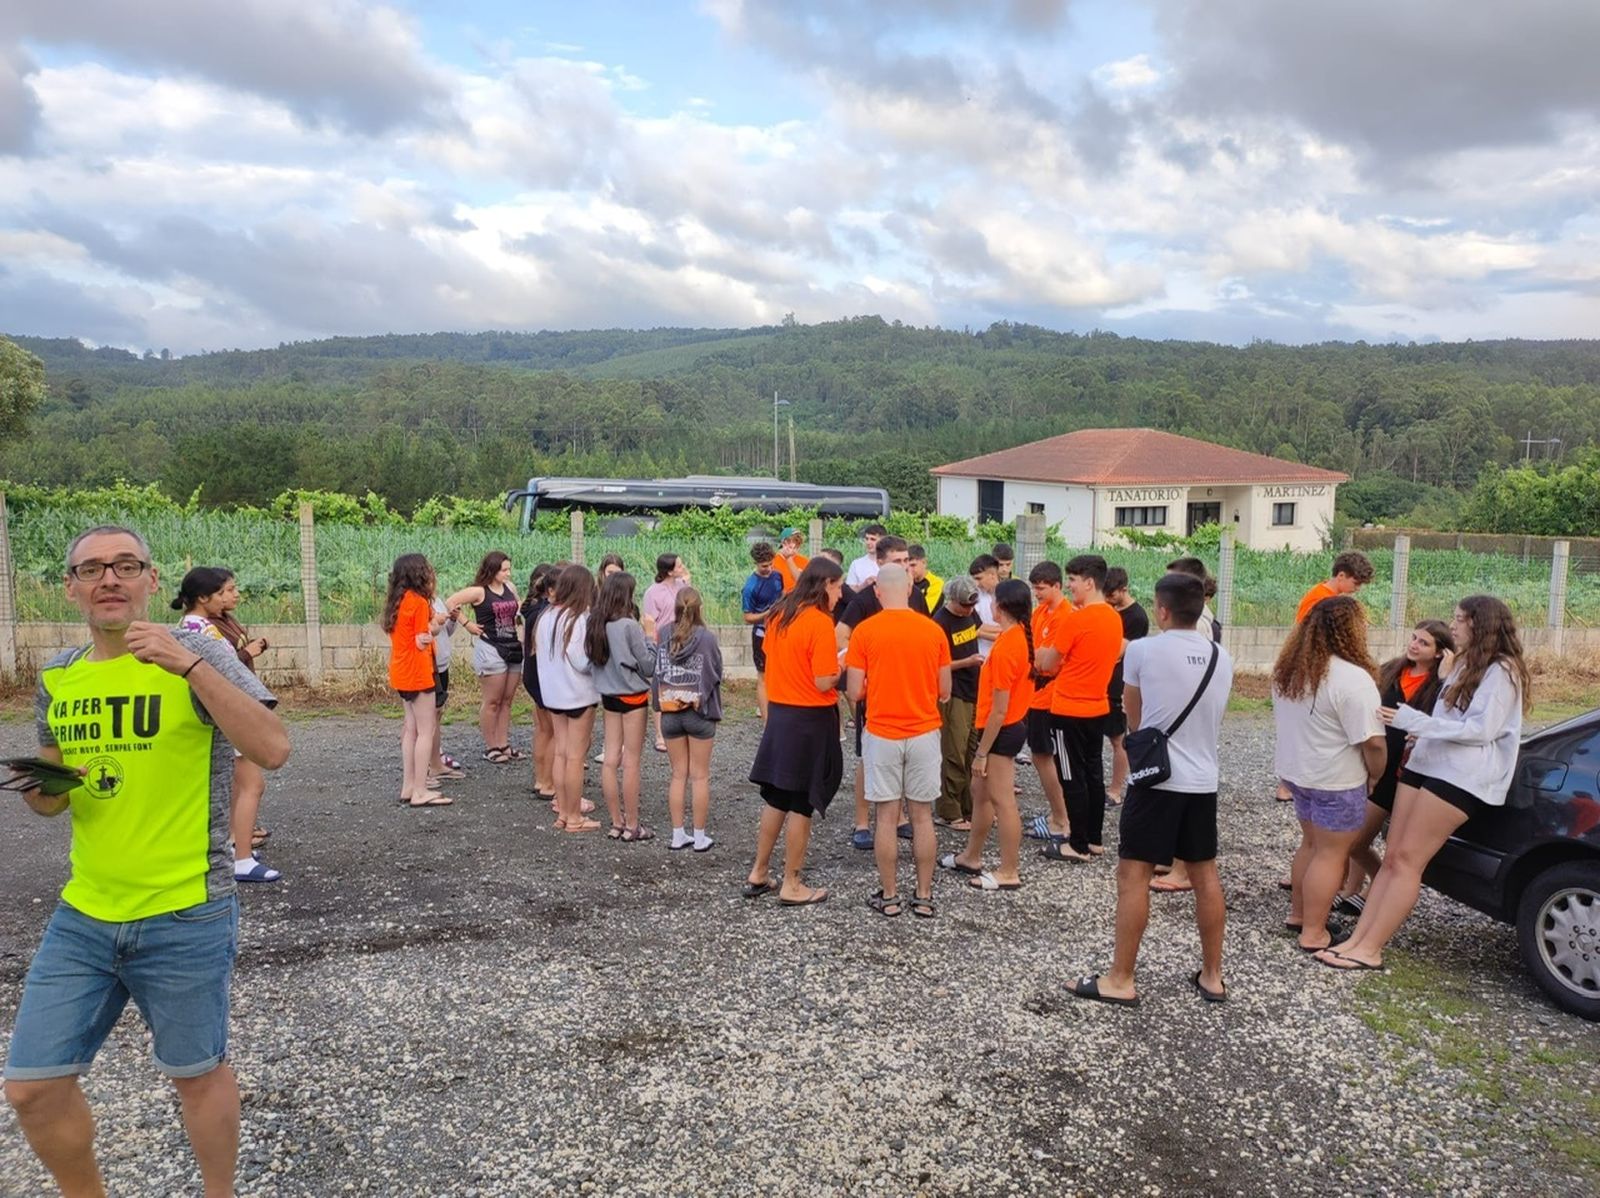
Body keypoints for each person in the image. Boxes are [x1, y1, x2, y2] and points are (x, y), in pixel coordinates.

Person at [4, 525, 289, 1198]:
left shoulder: (200, 652)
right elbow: (49, 800)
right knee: (31, 1090)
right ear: (71, 588)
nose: (109, 578)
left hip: (186, 908)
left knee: (196, 1073)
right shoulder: (59, 678)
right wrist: (47, 786)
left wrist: (186, 664)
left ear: (151, 581)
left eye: (125, 565)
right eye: (92, 569)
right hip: (85, 913)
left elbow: (273, 747)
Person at [1318, 596, 1531, 971]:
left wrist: (1412, 722)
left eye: (1461, 620)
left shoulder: (1504, 670)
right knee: (1394, 857)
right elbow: (1449, 714)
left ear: (1481, 625)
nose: (1454, 626)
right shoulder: (1464, 663)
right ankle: (1356, 940)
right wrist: (1444, 687)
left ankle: (1371, 949)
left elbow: (1480, 730)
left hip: (1459, 776)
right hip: (1426, 763)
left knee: (1407, 862)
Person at [1070, 571, 1234, 1007]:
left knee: (1134, 875)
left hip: (1157, 781)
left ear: (1161, 610)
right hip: (1203, 780)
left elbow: (1133, 714)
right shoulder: (1222, 655)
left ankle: (1121, 977)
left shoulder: (1142, 649)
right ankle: (1213, 975)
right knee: (1204, 873)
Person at [1272, 596, 1387, 953]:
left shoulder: (1290, 671)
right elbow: (1373, 743)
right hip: (1336, 778)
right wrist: (1375, 776)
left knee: (1310, 845)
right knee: (1331, 854)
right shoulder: (1353, 679)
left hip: (1298, 773)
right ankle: (1314, 932)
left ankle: (1299, 914)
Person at [846, 564, 953, 918]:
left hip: (882, 732)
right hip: (923, 731)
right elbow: (945, 690)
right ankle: (923, 895)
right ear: (909, 590)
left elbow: (854, 690)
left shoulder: (865, 631)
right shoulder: (933, 630)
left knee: (886, 817)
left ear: (877, 592)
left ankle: (890, 896)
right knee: (922, 817)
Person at [745, 557, 847, 906]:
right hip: (810, 720)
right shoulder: (819, 622)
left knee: (777, 798)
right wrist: (842, 666)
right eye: (837, 586)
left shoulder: (779, 614)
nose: (841, 592)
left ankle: (759, 871)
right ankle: (792, 883)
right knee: (802, 804)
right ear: (824, 586)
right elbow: (822, 680)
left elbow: (774, 662)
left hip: (781, 715)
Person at [1335, 619, 1453, 916]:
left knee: (1357, 840)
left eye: (1424, 642)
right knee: (1352, 834)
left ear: (1441, 653)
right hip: (1371, 760)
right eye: (1414, 638)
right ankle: (1351, 889)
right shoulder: (1390, 671)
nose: (1414, 644)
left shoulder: (1440, 686)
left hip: (1401, 772)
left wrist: (1444, 679)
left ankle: (1377, 885)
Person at [172, 567, 278, 883]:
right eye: (223, 592)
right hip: (224, 714)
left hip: (220, 713)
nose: (231, 597)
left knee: (235, 784)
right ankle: (241, 859)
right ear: (203, 598)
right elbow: (224, 670)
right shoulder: (200, 631)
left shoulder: (199, 625)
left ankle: (236, 845)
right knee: (252, 785)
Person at [941, 578, 1035, 892]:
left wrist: (981, 752)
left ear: (1002, 607)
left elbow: (999, 709)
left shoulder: (1010, 644)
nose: (987, 605)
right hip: (999, 727)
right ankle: (972, 855)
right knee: (980, 794)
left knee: (1002, 800)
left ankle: (1009, 870)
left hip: (1002, 730)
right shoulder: (1017, 636)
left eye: (993, 600)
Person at [1035, 555, 1123, 863]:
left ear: (1089, 582)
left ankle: (1078, 843)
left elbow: (1048, 663)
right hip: (1097, 706)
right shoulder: (1114, 618)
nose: (1070, 585)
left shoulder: (1077, 618)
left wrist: (1042, 653)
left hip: (1068, 708)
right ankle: (1095, 840)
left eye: (1072, 579)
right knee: (1093, 773)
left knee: (1071, 777)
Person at [837, 535, 912, 849]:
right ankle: (862, 822)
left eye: (907, 561)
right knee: (868, 758)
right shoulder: (864, 600)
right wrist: (865, 672)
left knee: (906, 757)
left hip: (907, 691)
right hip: (875, 695)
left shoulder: (913, 594)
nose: (905, 567)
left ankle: (901, 817)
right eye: (898, 562)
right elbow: (841, 636)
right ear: (880, 563)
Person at [589, 571, 657, 842]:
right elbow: (648, 666)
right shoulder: (629, 625)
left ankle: (616, 822)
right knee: (631, 762)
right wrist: (650, 636)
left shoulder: (595, 623)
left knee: (610, 759)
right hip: (632, 696)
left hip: (608, 695)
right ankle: (632, 825)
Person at [655, 586, 723, 852]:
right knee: (700, 776)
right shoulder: (706, 638)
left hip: (670, 712)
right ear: (699, 608)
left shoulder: (663, 634)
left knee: (677, 775)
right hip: (699, 712)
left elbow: (657, 672)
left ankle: (677, 834)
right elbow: (715, 671)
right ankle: (700, 835)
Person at [535, 564, 601, 832]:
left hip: (553, 695)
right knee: (575, 757)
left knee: (561, 753)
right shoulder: (579, 619)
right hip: (578, 695)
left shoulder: (546, 616)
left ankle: (563, 812)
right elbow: (582, 661)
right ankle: (574, 817)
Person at [386, 554, 454, 808]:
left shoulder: (398, 602)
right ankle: (421, 790)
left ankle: (409, 786)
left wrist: (429, 626)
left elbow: (410, 633)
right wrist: (433, 627)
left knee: (411, 729)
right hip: (419, 672)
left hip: (401, 672)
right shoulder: (419, 601)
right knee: (426, 731)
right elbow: (421, 639)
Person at [442, 551, 523, 765]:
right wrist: (465, 622)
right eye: (504, 569)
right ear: (493, 570)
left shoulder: (510, 588)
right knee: (492, 701)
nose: (508, 573)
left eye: (509, 569)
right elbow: (450, 601)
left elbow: (519, 608)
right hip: (491, 648)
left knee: (507, 701)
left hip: (513, 647)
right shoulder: (479, 592)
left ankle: (504, 743)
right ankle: (491, 746)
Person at [1023, 561, 1072, 844]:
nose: (1037, 593)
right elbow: (1031, 649)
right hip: (1036, 694)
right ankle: (1057, 814)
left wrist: (1037, 656)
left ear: (1057, 585)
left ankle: (1061, 819)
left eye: (1041, 588)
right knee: (1040, 756)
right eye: (1034, 588)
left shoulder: (1065, 616)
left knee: (1049, 758)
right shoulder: (1040, 612)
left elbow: (1047, 660)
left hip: (1052, 696)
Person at [931, 575, 983, 830]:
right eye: (965, 605)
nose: (970, 610)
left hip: (974, 689)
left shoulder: (970, 615)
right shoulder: (940, 622)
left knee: (971, 751)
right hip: (954, 692)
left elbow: (978, 631)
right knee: (953, 750)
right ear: (953, 600)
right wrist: (967, 662)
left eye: (973, 605)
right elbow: (935, 664)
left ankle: (969, 806)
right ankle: (948, 810)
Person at [1103, 567, 1150, 809]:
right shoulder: (1108, 610)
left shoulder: (1137, 617)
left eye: (1111, 595)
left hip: (1119, 683)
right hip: (1101, 681)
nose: (1107, 600)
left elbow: (1120, 650)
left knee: (1118, 739)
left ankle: (1115, 789)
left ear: (1124, 590)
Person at [519, 563, 563, 801]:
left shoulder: (533, 609)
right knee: (556, 732)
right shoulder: (548, 613)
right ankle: (549, 783)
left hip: (533, 674)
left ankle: (541, 779)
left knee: (543, 729)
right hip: (545, 676)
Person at [643, 553, 691, 752]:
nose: (683, 567)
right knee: (661, 687)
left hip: (683, 640)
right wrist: (653, 645)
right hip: (662, 641)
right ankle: (660, 734)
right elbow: (649, 620)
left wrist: (688, 584)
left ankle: (680, 728)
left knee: (682, 683)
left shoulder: (683, 585)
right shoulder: (653, 592)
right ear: (669, 571)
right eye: (679, 565)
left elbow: (692, 607)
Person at [742, 542, 785, 724]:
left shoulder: (778, 575)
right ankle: (767, 720)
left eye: (770, 564)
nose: (768, 569)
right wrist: (769, 614)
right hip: (762, 633)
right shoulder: (750, 586)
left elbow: (781, 594)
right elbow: (747, 617)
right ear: (756, 564)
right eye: (764, 566)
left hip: (782, 631)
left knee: (782, 673)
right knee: (763, 676)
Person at [428, 590, 464, 791]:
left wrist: (452, 619)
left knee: (438, 714)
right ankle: (427, 766)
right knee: (429, 717)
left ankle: (436, 762)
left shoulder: (437, 599)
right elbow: (427, 630)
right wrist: (436, 620)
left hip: (442, 663)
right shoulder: (418, 601)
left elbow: (445, 632)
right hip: (429, 665)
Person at [1296, 551, 1376, 623]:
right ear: (1341, 575)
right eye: (1356, 583)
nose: (1358, 588)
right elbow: (1304, 633)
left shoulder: (1330, 596)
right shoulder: (1319, 599)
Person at [968, 554, 1002, 659]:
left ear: (992, 575)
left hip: (1001, 655)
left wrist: (979, 632)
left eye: (979, 578)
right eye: (974, 579)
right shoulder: (974, 596)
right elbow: (972, 628)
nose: (976, 584)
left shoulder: (1009, 594)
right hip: (981, 656)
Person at [845, 523, 887, 589]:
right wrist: (865, 585)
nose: (868, 542)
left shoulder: (891, 563)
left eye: (873, 539)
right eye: (867, 539)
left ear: (883, 541)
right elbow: (850, 593)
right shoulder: (856, 564)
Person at [908, 543, 942, 614]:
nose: (909, 570)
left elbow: (925, 611)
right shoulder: (906, 581)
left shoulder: (936, 583)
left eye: (913, 565)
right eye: (907, 566)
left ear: (924, 562)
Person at [773, 527, 810, 592]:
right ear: (783, 543)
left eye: (797, 544)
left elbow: (806, 584)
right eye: (789, 542)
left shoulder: (805, 561)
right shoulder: (773, 561)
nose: (793, 547)